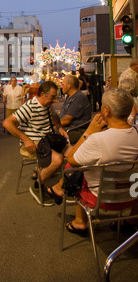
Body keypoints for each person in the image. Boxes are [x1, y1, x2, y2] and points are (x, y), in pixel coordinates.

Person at [46, 88, 138, 234]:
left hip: (102, 197)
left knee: (76, 170)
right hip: (133, 196)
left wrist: (88, 132)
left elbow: (71, 160)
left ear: (106, 111)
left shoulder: (97, 140)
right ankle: (132, 219)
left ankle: (79, 222)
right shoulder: (136, 132)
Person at [3, 80, 69, 206]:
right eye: (53, 97)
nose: (55, 101)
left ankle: (61, 186)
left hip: (48, 141)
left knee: (74, 153)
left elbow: (54, 116)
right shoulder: (30, 107)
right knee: (58, 160)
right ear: (43, 94)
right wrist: (26, 139)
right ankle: (38, 186)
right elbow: (7, 123)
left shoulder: (47, 106)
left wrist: (59, 127)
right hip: (34, 144)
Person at [59, 74, 91, 144]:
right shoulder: (70, 96)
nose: (61, 86)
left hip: (76, 130)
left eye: (63, 84)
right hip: (69, 128)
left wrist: (53, 126)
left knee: (53, 137)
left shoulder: (79, 97)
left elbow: (66, 120)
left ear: (69, 85)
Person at [118, 59, 138, 125]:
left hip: (130, 100)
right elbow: (126, 93)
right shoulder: (129, 75)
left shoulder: (133, 74)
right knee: (131, 120)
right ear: (136, 66)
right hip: (129, 101)